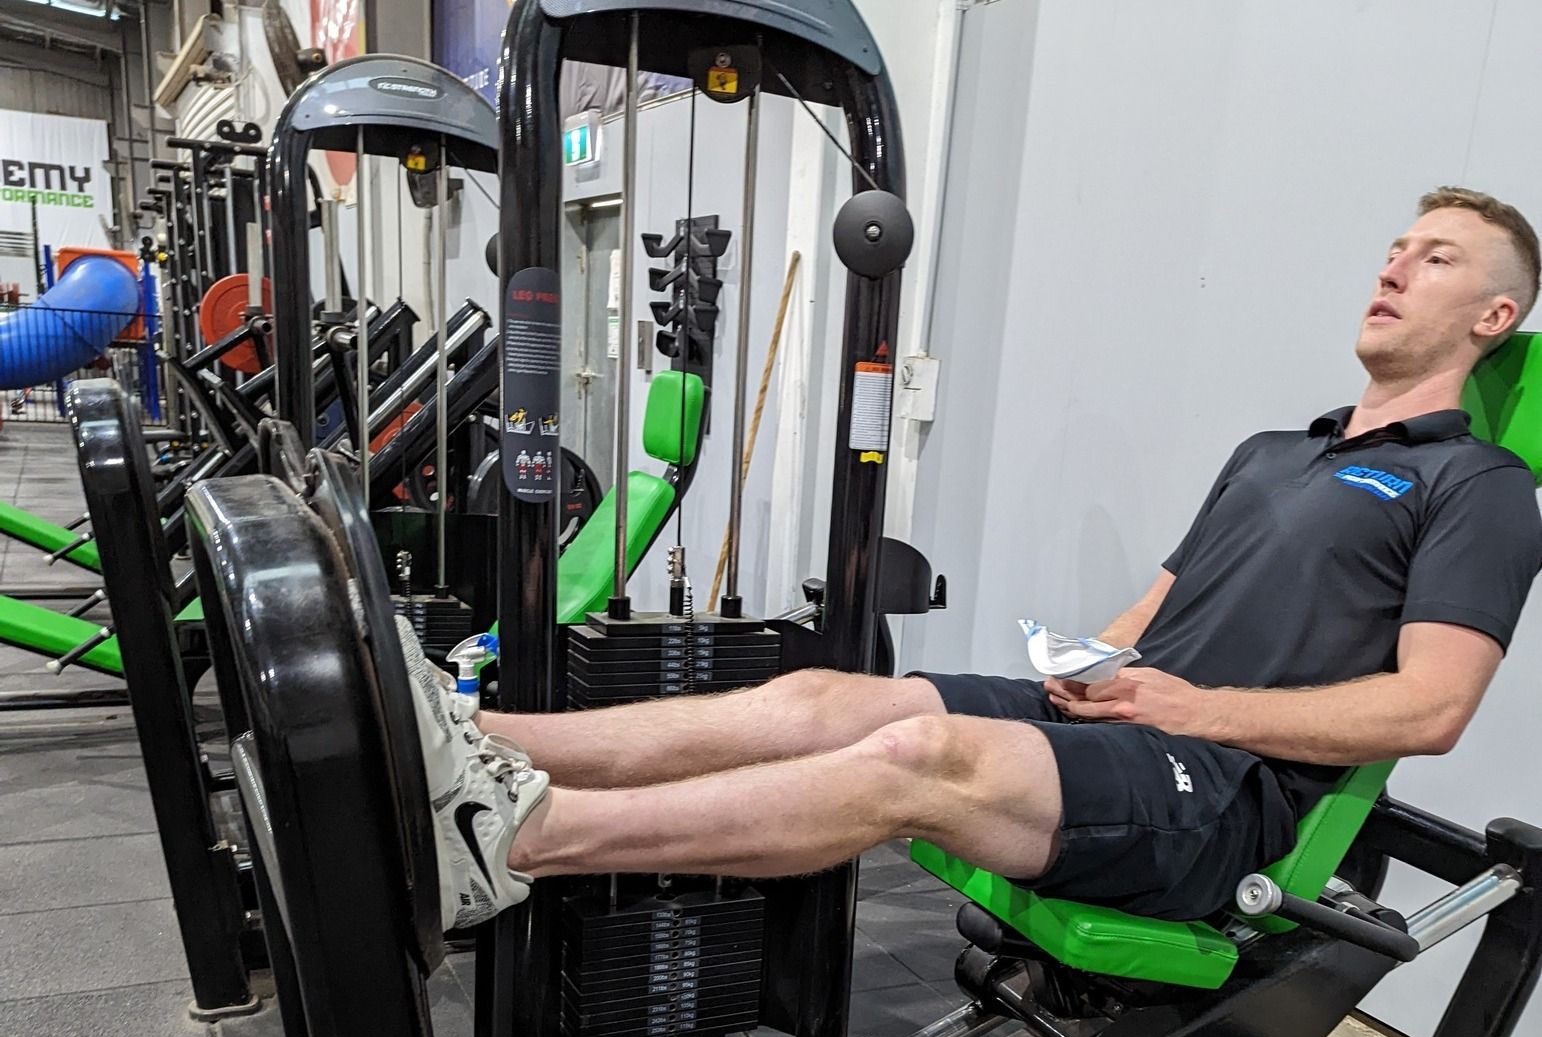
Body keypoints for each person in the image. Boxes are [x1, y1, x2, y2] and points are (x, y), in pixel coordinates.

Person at [406, 186, 1542, 934]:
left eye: (1433, 258)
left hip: (1225, 793)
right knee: (818, 696)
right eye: (1394, 247)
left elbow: (1429, 710)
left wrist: (1195, 712)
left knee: (914, 753)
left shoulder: (1477, 486)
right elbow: (1159, 603)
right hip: (1130, 722)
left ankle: (522, 840)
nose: (1393, 268)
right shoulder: (1275, 450)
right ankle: (481, 739)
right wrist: (1096, 665)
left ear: (1493, 316)